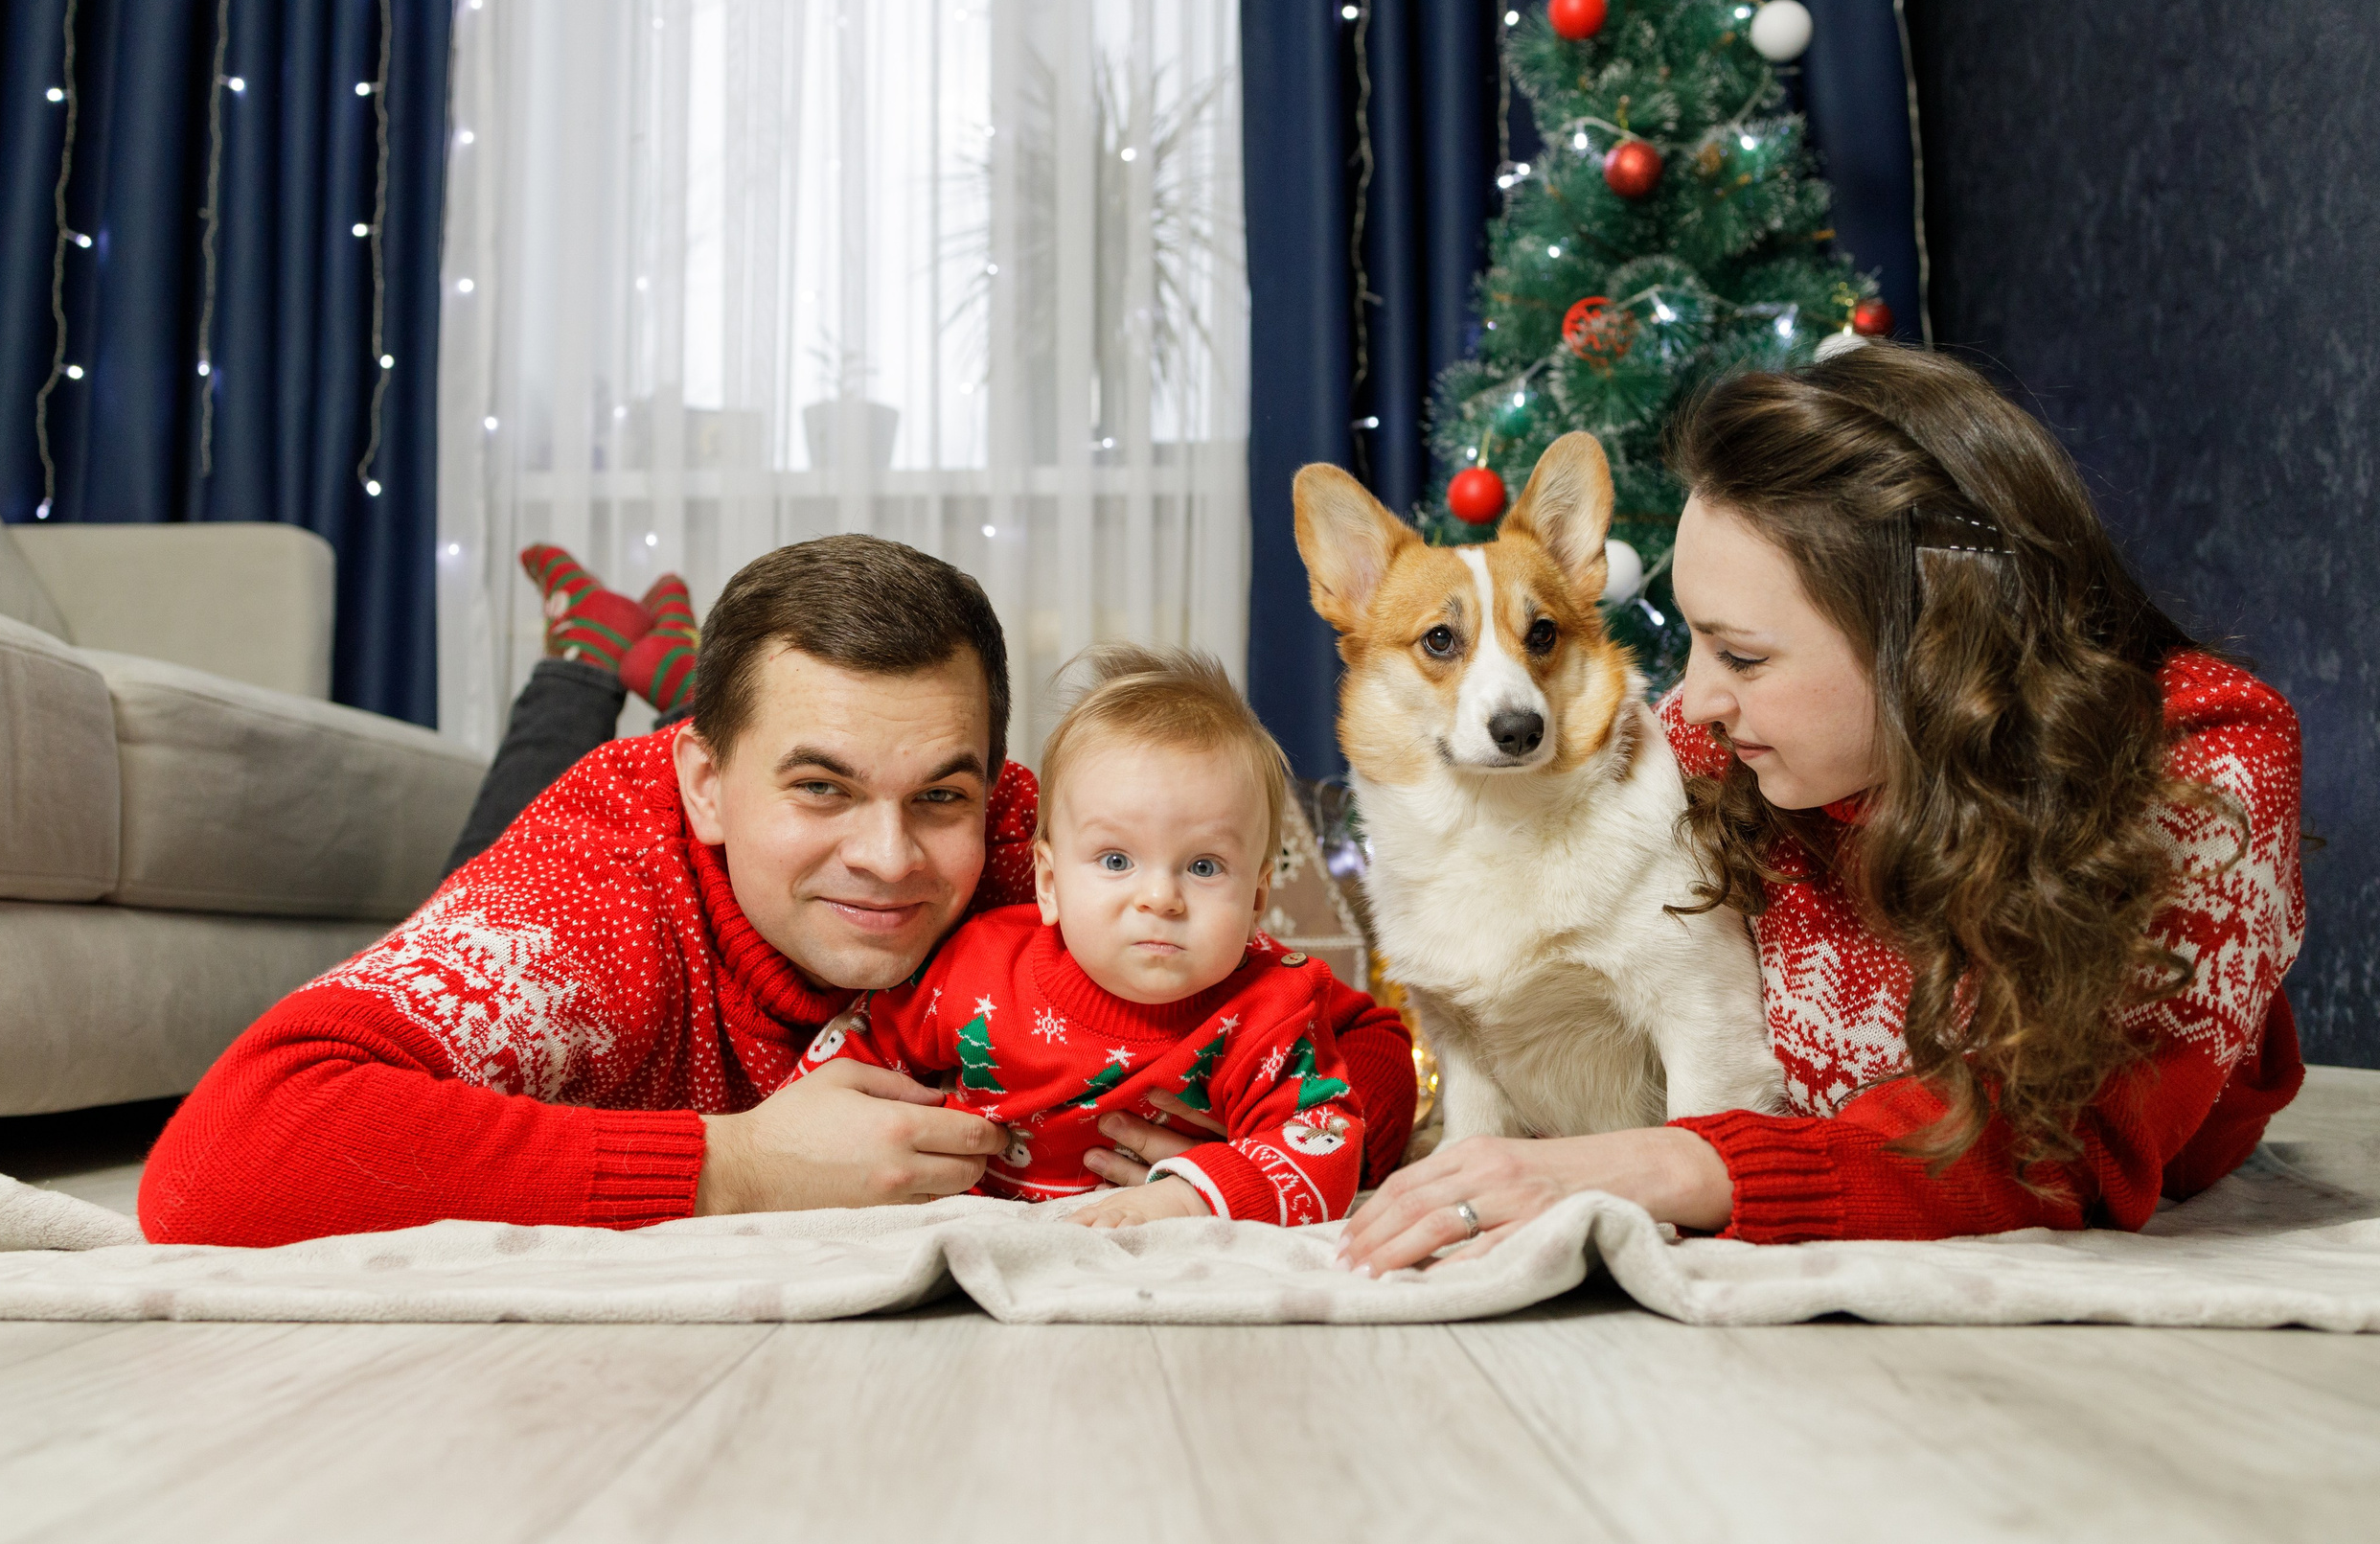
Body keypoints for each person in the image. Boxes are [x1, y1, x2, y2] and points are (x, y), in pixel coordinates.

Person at [139, 539, 1412, 1247]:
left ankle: (621, 649)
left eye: (940, 796)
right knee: (483, 848)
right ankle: (592, 662)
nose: (890, 858)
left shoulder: (1027, 838)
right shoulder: (590, 894)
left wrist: (1230, 1154)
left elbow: (1350, 1037)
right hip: (587, 875)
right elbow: (213, 1173)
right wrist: (729, 1164)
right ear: (707, 782)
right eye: (820, 786)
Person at [1338, 345, 2304, 1273]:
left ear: (1926, 635)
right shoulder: (1734, 750)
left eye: (1743, 656)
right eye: (1696, 647)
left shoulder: (2201, 768)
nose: (1690, 704)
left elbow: (2055, 1148)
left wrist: (1677, 1164)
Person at [796, 644, 1367, 1229]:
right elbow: (859, 1051)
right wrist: (801, 1139)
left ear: (1256, 901)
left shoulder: (1271, 1009)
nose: (1160, 898)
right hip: (965, 1220)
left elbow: (1325, 1147)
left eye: (1203, 867)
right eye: (1116, 859)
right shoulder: (983, 962)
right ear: (1049, 883)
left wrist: (1189, 1198)